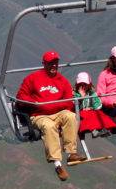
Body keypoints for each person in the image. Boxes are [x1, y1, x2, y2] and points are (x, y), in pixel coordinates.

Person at [17, 50, 86, 181]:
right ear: (44, 64)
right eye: (51, 63)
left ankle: (72, 153)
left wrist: (60, 105)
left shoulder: (62, 80)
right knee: (48, 126)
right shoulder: (33, 78)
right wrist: (35, 103)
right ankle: (57, 164)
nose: (54, 66)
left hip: (59, 112)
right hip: (40, 114)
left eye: (56, 63)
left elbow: (68, 99)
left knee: (70, 117)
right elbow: (21, 96)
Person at [73, 71, 116, 137]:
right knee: (89, 115)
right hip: (80, 115)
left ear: (89, 84)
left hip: (91, 112)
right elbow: (73, 106)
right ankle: (97, 129)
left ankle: (108, 126)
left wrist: (92, 106)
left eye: (85, 84)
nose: (83, 86)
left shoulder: (92, 93)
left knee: (98, 113)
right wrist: (81, 98)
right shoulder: (74, 94)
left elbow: (98, 106)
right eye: (80, 84)